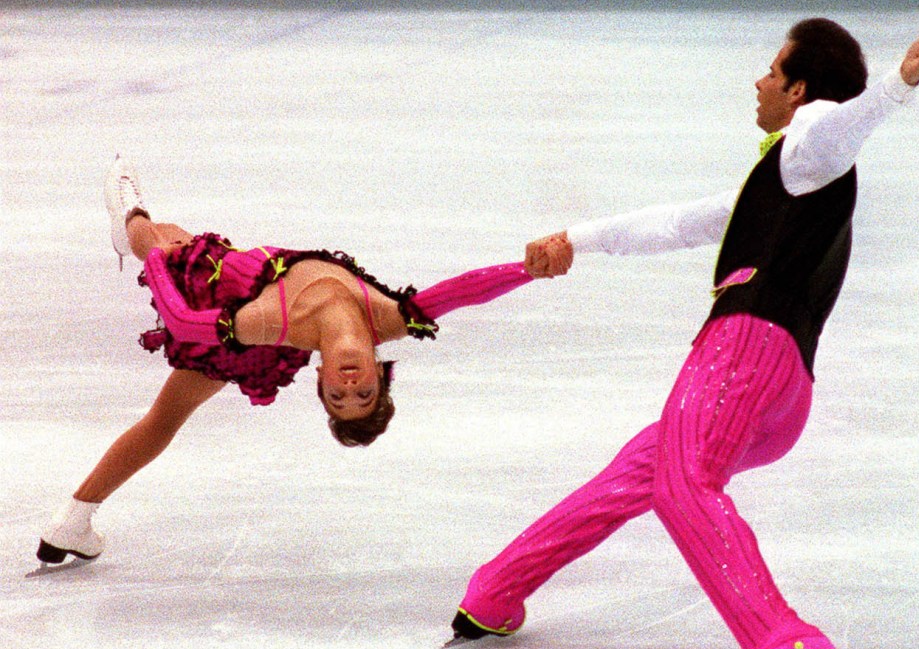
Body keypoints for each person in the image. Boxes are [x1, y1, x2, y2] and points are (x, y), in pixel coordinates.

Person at [449, 20, 919, 649]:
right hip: (783, 386)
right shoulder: (779, 173)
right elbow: (683, 222)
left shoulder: (810, 139)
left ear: (799, 87)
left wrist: (898, 87)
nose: (758, 81)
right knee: (637, 473)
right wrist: (580, 238)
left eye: (771, 71)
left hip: (742, 352)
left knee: (682, 482)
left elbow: (842, 129)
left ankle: (786, 643)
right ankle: (495, 591)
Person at [36, 156, 546, 567]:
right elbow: (464, 293)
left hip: (225, 297)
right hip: (252, 329)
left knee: (167, 243)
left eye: (337, 397)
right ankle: (73, 521)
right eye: (362, 393)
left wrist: (154, 263)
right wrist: (530, 269)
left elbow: (183, 323)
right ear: (381, 373)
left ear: (319, 380)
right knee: (163, 420)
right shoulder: (391, 318)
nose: (348, 386)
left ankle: (131, 219)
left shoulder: (270, 322)